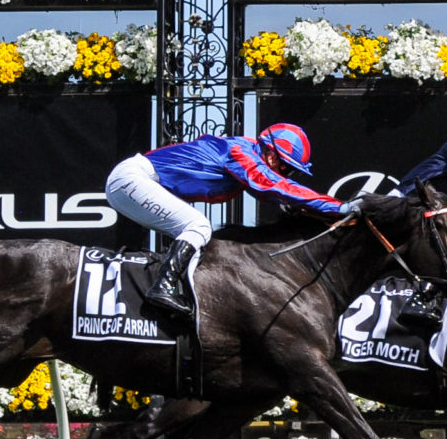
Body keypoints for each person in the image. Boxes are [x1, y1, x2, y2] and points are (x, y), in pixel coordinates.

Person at [105, 123, 348, 319]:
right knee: (198, 226)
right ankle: (162, 288)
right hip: (131, 179)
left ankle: (172, 288)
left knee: (193, 233)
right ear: (271, 155)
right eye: (286, 167)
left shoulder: (249, 155)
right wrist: (339, 206)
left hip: (135, 181)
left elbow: (277, 194)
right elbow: (275, 186)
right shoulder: (241, 153)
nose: (285, 173)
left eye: (290, 170)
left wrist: (330, 213)